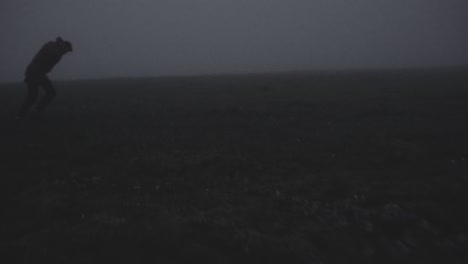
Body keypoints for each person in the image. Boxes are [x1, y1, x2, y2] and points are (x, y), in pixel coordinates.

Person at [18, 37, 73, 119]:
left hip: (38, 73)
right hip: (33, 72)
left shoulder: (58, 54)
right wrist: (59, 51)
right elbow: (51, 53)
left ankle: (30, 113)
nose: (65, 53)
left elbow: (48, 67)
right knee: (34, 96)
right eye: (66, 50)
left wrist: (59, 52)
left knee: (45, 94)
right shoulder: (51, 45)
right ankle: (24, 115)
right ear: (63, 45)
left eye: (66, 52)